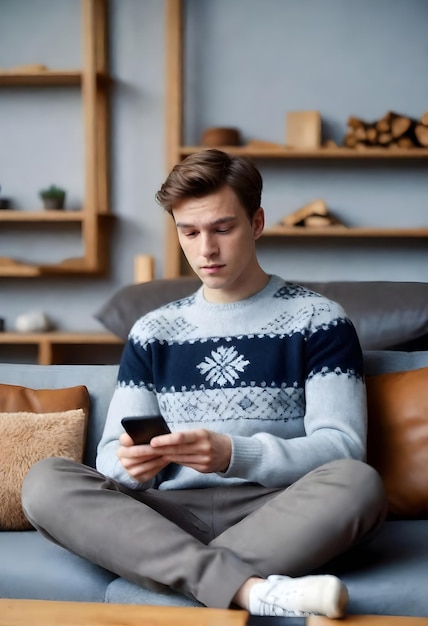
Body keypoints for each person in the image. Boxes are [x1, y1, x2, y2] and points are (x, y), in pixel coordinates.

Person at [22, 148, 386, 618]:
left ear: (256, 223)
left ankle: (174, 583)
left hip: (276, 512)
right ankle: (252, 591)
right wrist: (134, 463)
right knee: (46, 481)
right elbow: (111, 457)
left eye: (222, 228)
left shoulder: (318, 320)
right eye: (188, 232)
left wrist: (234, 454)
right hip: (165, 515)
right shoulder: (153, 331)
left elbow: (342, 447)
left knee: (359, 484)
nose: (205, 250)